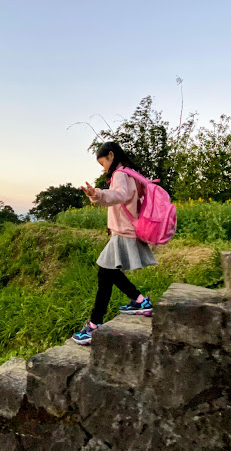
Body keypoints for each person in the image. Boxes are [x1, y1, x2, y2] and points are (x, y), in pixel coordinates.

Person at [72, 141, 158, 345]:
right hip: (129, 228)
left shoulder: (120, 173)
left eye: (103, 163)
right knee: (109, 272)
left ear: (111, 155)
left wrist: (98, 194)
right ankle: (140, 301)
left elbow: (120, 195)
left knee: (105, 272)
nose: (103, 167)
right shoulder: (132, 173)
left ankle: (93, 326)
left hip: (123, 231)